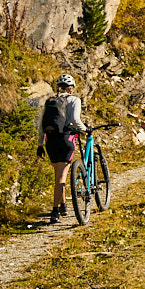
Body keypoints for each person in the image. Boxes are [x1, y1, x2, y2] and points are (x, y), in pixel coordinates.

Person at [37, 74, 88, 224]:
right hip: (66, 140)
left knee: (58, 174)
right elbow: (74, 119)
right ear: (71, 88)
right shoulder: (74, 100)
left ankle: (63, 205)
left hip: (50, 141)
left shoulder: (49, 101)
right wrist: (85, 130)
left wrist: (40, 145)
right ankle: (54, 211)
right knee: (61, 177)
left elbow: (41, 126)